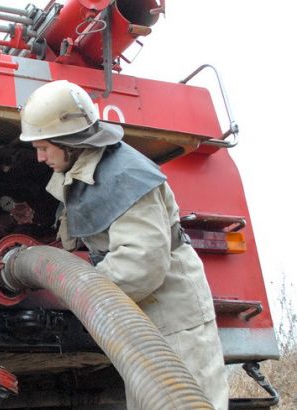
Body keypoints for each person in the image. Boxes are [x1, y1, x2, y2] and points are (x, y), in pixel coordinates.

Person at [19, 80, 228, 409]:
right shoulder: (80, 167)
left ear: (69, 141)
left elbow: (141, 264)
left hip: (171, 308)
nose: (39, 156)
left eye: (44, 146)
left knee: (181, 396)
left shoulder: (126, 175)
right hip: (138, 310)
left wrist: (83, 294)